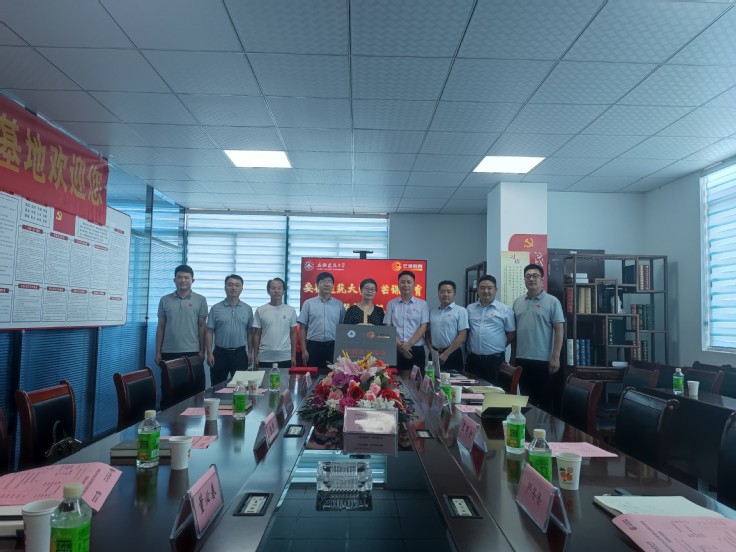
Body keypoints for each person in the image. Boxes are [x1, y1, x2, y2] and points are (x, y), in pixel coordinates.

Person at [511, 263, 564, 411]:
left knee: (545, 402)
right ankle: (528, 426)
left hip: (544, 360)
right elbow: (515, 333)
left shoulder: (552, 302)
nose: (531, 279)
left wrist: (556, 356)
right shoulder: (518, 302)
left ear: (542, 279)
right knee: (527, 402)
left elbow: (559, 330)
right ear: (524, 279)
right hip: (521, 359)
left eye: (535, 276)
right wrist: (513, 356)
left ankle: (544, 427)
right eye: (528, 276)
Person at [466, 275, 516, 384]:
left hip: (495, 361)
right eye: (482, 288)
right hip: (474, 359)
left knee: (494, 391)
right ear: (478, 290)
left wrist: (500, 344)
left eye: (489, 288)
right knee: (471, 391)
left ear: (495, 290)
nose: (486, 291)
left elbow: (512, 334)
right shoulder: (470, 309)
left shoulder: (505, 310)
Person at [205, 274, 254, 386]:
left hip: (240, 354)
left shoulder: (247, 309)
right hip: (219, 354)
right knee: (217, 387)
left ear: (241, 288)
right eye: (230, 285)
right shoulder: (215, 308)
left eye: (237, 285)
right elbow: (209, 332)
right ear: (225, 287)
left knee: (241, 387)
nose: (233, 288)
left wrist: (250, 352)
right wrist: (209, 353)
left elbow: (250, 332)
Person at [155, 264, 208, 366]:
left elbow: (202, 326)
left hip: (193, 350)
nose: (183, 280)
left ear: (193, 280)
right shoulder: (164, 300)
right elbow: (161, 326)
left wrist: (202, 350)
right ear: (174, 280)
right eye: (179, 277)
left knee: (194, 377)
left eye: (186, 277)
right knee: (168, 377)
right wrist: (158, 352)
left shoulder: (200, 300)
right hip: (168, 350)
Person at [297, 271, 345, 371]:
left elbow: (342, 328)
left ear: (333, 285)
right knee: (312, 375)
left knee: (333, 376)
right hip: (313, 346)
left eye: (329, 282)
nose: (327, 284)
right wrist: (304, 350)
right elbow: (302, 328)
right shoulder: (308, 303)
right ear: (317, 285)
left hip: (333, 347)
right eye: (323, 282)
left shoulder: (339, 304)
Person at [385, 270, 430, 371]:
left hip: (416, 349)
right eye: (403, 282)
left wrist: (409, 344)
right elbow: (388, 326)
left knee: (417, 379)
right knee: (394, 379)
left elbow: (424, 326)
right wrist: (400, 346)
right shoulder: (391, 304)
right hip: (396, 349)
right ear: (398, 284)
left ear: (414, 285)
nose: (406, 285)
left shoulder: (422, 304)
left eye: (409, 282)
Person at [253, 277, 297, 368]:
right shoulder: (260, 310)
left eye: (279, 288)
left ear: (283, 291)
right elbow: (257, 334)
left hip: (285, 356)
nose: (276, 291)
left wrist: (293, 356)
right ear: (268, 291)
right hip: (265, 356)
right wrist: (255, 356)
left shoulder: (291, 310)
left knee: (284, 378)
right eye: (273, 288)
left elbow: (293, 334)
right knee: (264, 378)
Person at [426, 280, 468, 373]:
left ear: (454, 294)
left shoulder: (461, 311)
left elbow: (462, 335)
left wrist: (446, 353)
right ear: (438, 294)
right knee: (433, 379)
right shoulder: (432, 312)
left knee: (453, 381)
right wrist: (431, 350)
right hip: (434, 354)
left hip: (453, 354)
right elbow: (427, 333)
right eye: (442, 291)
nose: (445, 294)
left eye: (449, 292)